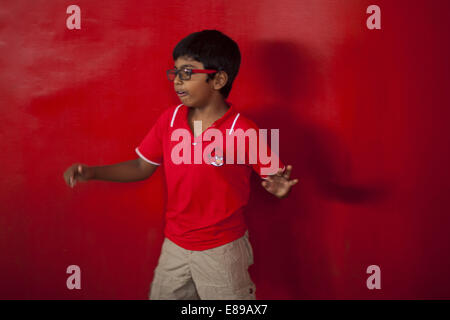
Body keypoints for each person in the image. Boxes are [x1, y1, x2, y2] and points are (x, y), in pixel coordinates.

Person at [63, 29, 298, 300]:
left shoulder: (242, 129)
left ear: (218, 79)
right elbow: (142, 167)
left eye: (188, 72)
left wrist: (281, 189)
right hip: (175, 245)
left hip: (221, 250)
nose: (176, 81)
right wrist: (92, 172)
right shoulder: (170, 119)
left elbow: (277, 179)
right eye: (175, 72)